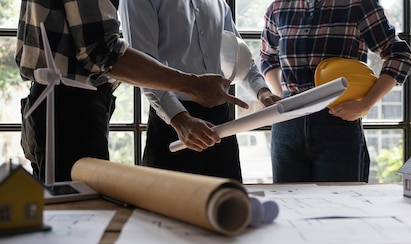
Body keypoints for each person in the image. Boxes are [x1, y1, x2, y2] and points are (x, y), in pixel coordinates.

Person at [16, 0, 248, 183]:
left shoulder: (219, 4)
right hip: (69, 108)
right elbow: (104, 51)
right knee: (79, 214)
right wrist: (191, 86)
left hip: (63, 100)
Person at [119, 0, 280, 181]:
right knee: (166, 206)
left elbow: (239, 55)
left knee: (228, 204)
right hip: (173, 123)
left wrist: (262, 92)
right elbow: (142, 66)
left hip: (222, 123)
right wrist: (179, 119)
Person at [260, 0, 411, 183]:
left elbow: (399, 55)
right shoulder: (279, 7)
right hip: (287, 125)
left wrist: (366, 103)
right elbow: (268, 57)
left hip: (337, 121)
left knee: (340, 205)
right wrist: (281, 96)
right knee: (288, 205)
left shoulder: (359, 5)